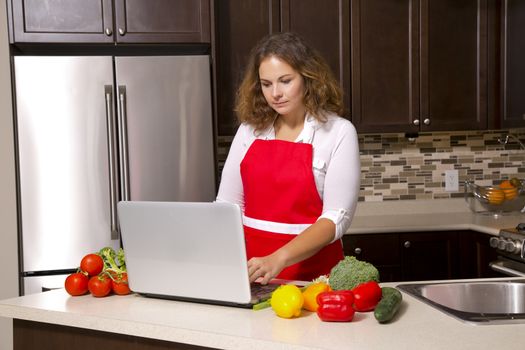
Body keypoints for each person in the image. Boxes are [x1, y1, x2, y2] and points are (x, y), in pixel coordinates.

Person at [216, 32, 360, 284]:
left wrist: (278, 259)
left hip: (314, 280)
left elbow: (335, 219)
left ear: (308, 78)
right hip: (252, 277)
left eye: (285, 81)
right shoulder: (249, 130)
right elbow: (227, 207)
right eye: (266, 84)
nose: (275, 93)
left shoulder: (338, 132)